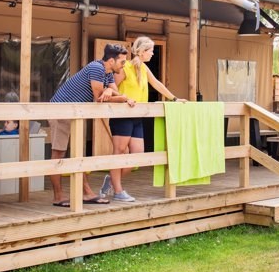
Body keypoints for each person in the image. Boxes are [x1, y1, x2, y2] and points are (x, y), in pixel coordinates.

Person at [47, 43, 136, 207]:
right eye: (122, 62)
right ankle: (58, 197)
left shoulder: (108, 73)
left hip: (76, 113)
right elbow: (99, 97)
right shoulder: (96, 68)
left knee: (78, 155)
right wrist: (121, 97)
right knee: (58, 153)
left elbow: (113, 92)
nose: (124, 65)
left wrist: (110, 91)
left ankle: (87, 193)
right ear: (111, 61)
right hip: (60, 111)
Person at [100, 36, 183, 201]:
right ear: (142, 51)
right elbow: (111, 87)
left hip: (137, 117)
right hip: (122, 116)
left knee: (138, 155)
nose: (152, 54)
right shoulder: (125, 67)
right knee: (119, 152)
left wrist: (174, 99)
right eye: (151, 51)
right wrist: (124, 98)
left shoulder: (143, 68)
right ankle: (118, 191)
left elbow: (157, 84)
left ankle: (112, 180)